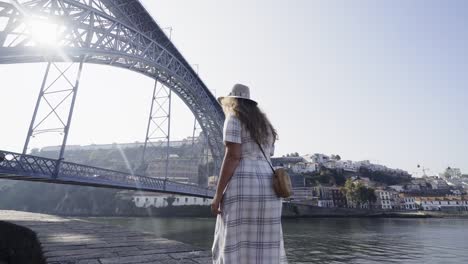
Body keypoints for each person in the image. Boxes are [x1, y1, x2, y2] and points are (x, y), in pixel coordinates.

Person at [211, 84, 288, 264]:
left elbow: (233, 157)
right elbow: (268, 155)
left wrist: (217, 195)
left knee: (235, 239)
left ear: (231, 101)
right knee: (265, 244)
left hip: (243, 184)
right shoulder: (266, 126)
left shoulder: (234, 118)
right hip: (270, 187)